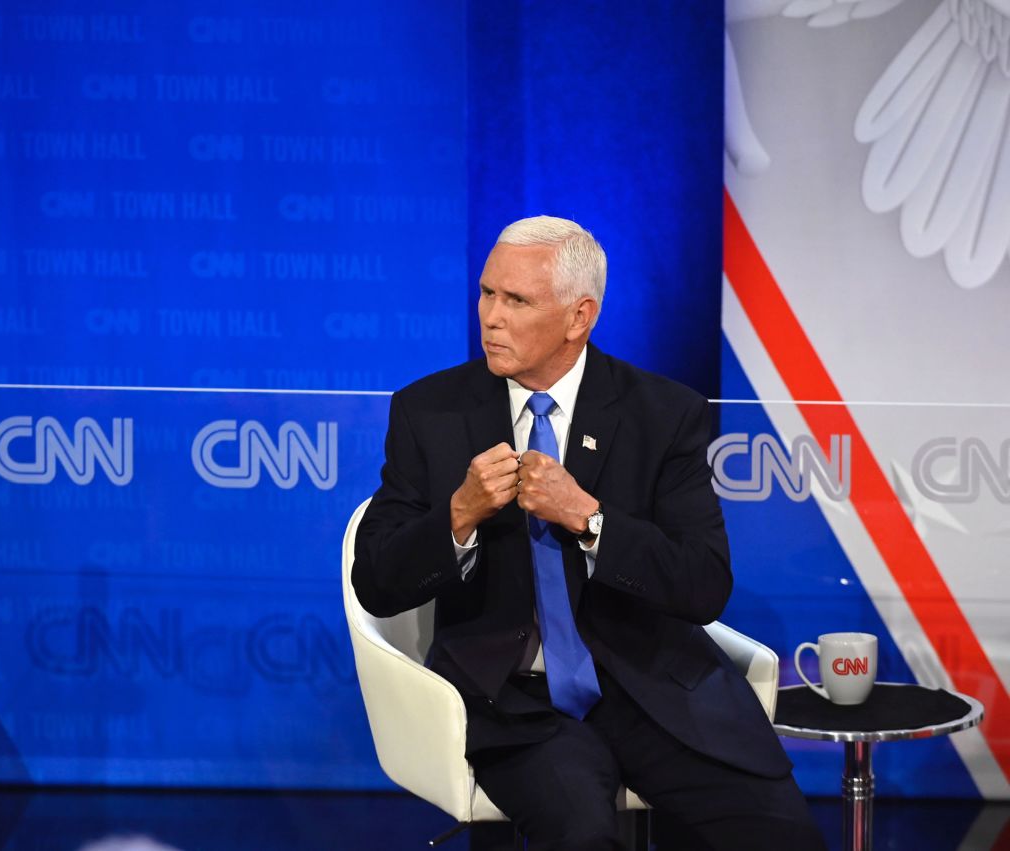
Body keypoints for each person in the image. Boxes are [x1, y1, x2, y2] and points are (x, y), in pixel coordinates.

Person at [352, 216, 825, 850]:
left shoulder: (663, 414)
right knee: (579, 830)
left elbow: (703, 585)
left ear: (579, 317)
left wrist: (590, 519)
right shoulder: (429, 411)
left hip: (653, 687)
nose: (490, 316)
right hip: (514, 700)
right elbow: (377, 581)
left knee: (779, 837)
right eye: (487, 293)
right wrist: (459, 513)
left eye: (516, 300)